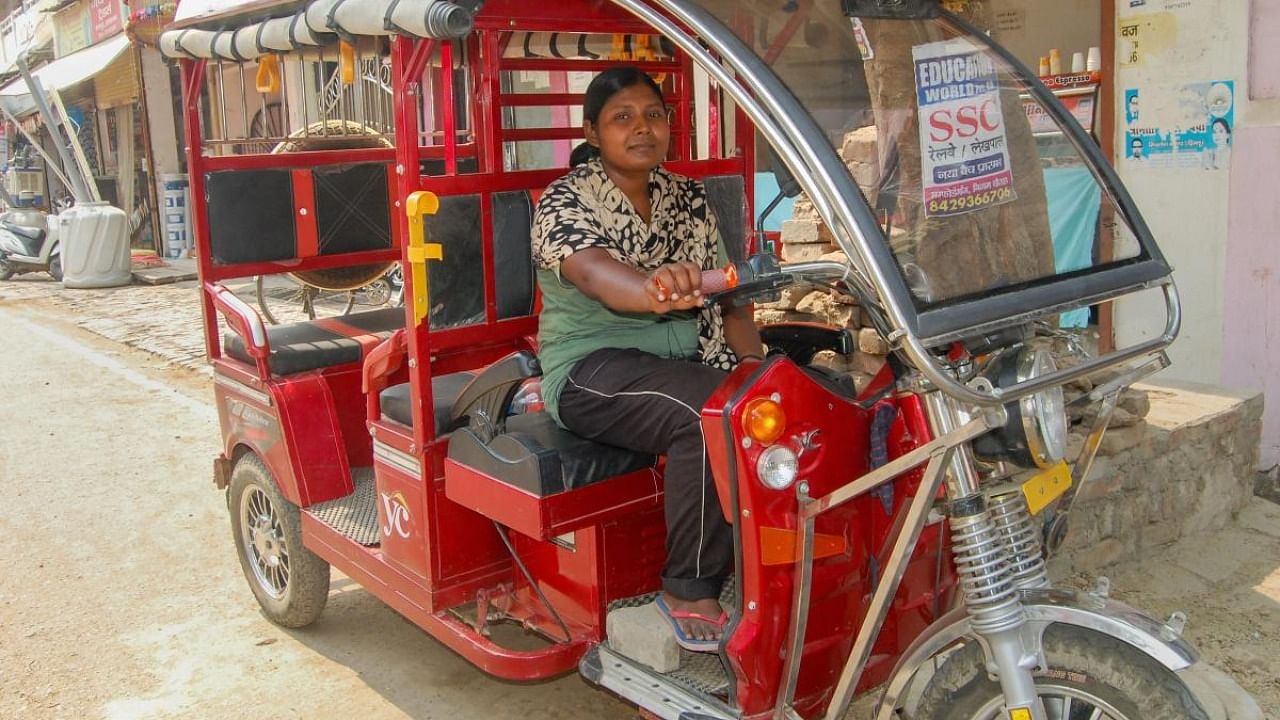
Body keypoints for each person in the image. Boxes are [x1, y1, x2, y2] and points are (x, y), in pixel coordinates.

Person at [531, 67, 765, 652]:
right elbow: (600, 277)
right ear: (592, 131)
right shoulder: (564, 200)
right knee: (706, 412)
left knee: (784, 393)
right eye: (622, 118)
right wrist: (654, 287)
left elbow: (732, 298)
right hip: (591, 368)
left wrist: (755, 364)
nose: (642, 128)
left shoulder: (687, 196)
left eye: (653, 115)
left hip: (688, 355)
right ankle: (689, 587)